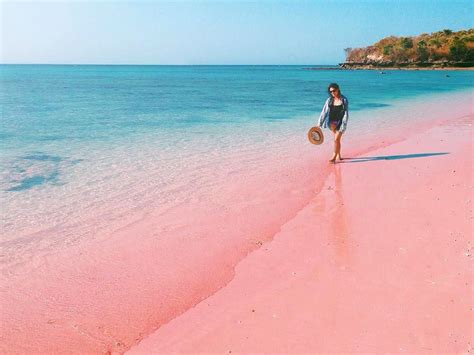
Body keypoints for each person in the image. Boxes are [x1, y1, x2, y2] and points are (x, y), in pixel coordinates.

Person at [317, 83, 349, 163]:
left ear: (338, 89)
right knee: (337, 140)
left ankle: (334, 157)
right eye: (330, 91)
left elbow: (346, 113)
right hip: (331, 122)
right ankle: (339, 154)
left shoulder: (344, 100)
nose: (332, 93)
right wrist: (319, 123)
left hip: (340, 122)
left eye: (334, 91)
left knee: (336, 139)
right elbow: (324, 112)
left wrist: (344, 124)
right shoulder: (329, 100)